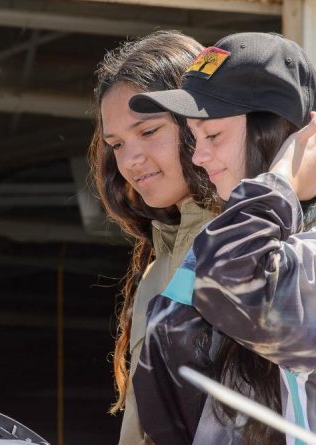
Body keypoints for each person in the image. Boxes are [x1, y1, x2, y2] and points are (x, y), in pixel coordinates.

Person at [130, 32, 316, 443]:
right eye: (194, 138)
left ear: (277, 135)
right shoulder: (230, 239)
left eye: (214, 136)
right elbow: (162, 380)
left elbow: (242, 299)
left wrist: (279, 181)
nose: (199, 158)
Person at [88, 31, 222, 444]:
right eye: (116, 144)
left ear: (198, 122)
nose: (130, 160)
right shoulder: (155, 269)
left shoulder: (247, 248)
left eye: (147, 133)